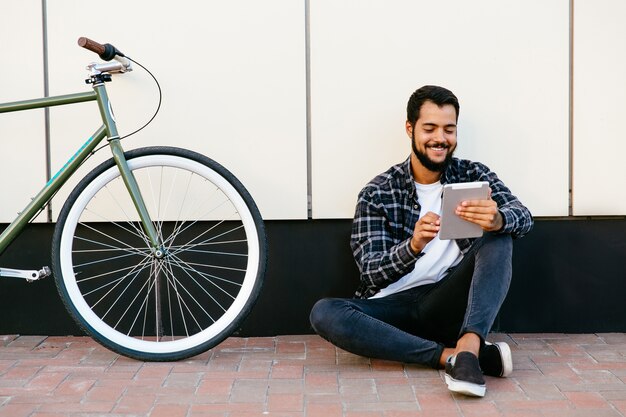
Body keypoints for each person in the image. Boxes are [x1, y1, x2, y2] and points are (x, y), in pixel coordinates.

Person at [309, 85, 533, 397]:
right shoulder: (378, 192)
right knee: (324, 313)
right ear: (410, 129)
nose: (440, 138)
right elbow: (371, 273)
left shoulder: (473, 174)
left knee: (499, 237)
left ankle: (468, 346)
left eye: (449, 129)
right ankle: (454, 357)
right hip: (391, 312)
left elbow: (523, 216)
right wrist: (413, 246)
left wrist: (498, 219)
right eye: (430, 128)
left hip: (445, 302)